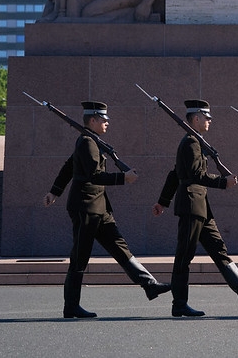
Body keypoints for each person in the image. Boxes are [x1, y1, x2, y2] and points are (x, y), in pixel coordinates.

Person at [43, 101, 170, 319]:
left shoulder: (91, 141)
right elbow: (92, 175)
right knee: (80, 256)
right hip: (86, 207)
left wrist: (55, 191)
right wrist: (124, 178)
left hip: (99, 208)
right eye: (103, 119)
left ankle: (149, 285)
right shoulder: (86, 143)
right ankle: (71, 306)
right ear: (92, 120)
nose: (107, 123)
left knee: (120, 247)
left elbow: (68, 168)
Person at [152, 100, 238, 317]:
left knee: (219, 249)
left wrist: (163, 201)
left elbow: (174, 174)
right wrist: (223, 182)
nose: (210, 120)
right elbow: (192, 175)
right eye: (206, 117)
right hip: (191, 205)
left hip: (201, 207)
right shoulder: (190, 143)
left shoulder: (195, 142)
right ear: (195, 118)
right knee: (184, 256)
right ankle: (179, 304)